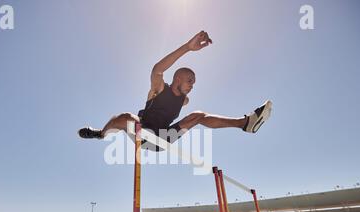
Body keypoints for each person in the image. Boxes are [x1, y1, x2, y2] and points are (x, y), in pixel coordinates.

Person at [78, 31, 272, 149]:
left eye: (194, 82)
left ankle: (244, 124)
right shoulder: (158, 89)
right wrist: (187, 47)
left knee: (198, 115)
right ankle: (100, 134)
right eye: (189, 80)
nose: (192, 85)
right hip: (143, 133)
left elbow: (193, 114)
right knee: (125, 116)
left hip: (165, 137)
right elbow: (157, 69)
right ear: (177, 78)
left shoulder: (184, 100)